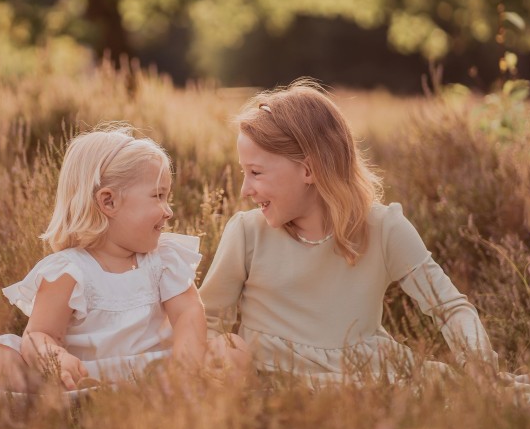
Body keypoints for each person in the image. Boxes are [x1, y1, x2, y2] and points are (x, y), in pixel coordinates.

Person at [198, 80, 500, 385]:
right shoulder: (247, 234)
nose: (245, 189)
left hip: (372, 382)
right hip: (275, 388)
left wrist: (480, 366)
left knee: (492, 397)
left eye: (256, 172)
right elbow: (204, 320)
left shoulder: (384, 229)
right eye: (243, 172)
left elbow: (449, 308)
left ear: (308, 170)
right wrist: (221, 354)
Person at [0, 126, 248, 393]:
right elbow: (40, 334)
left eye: (167, 196)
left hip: (154, 370)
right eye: (158, 196)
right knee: (6, 364)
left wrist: (187, 362)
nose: (169, 210)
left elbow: (189, 311)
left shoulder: (162, 260)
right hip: (83, 373)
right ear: (108, 202)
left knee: (232, 348)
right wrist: (54, 359)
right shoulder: (70, 271)